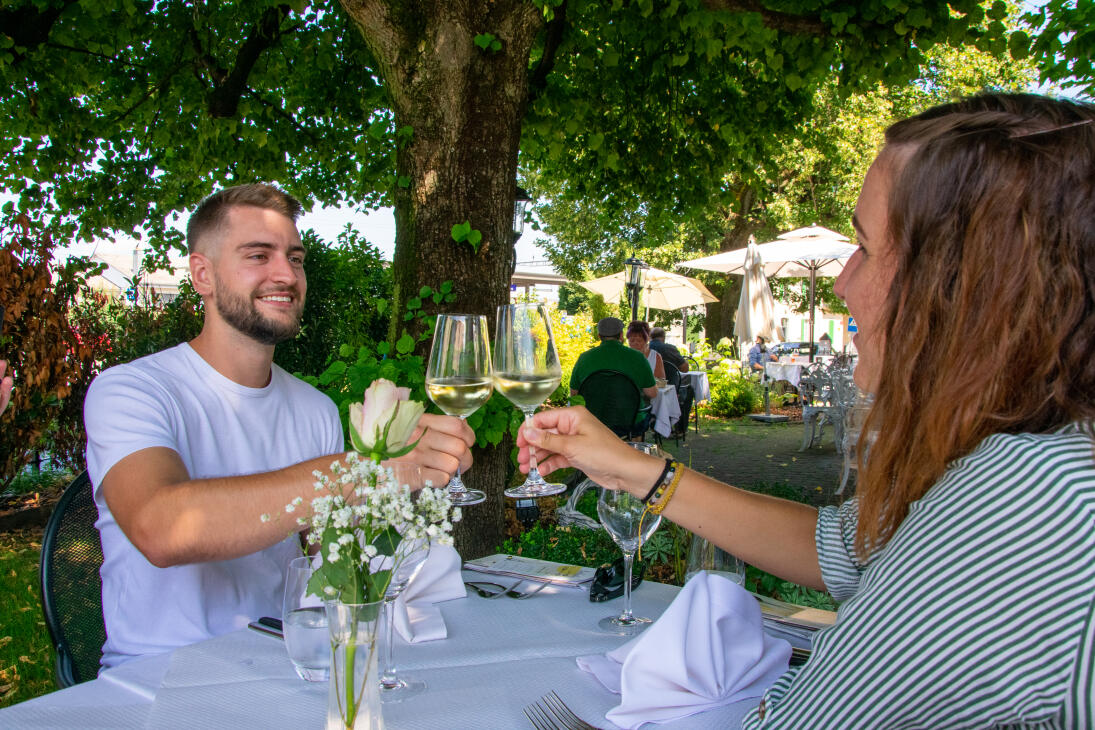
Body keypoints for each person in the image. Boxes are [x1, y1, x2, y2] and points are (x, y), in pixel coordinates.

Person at [517, 94, 1095, 727]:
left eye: (868, 248)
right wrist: (632, 468)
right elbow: (838, 547)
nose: (845, 282)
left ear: (962, 290)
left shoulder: (1026, 504)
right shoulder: (1044, 448)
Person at [84, 183, 474, 669]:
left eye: (296, 257)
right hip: (157, 673)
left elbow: (330, 559)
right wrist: (363, 473)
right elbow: (161, 529)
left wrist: (408, 489)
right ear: (201, 274)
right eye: (258, 255)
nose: (285, 274)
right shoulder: (131, 390)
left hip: (284, 661)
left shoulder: (312, 408)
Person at [570, 317, 657, 401]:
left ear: (599, 336)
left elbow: (574, 393)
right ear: (621, 335)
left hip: (591, 415)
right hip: (629, 415)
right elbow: (652, 393)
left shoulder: (584, 358)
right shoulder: (638, 357)